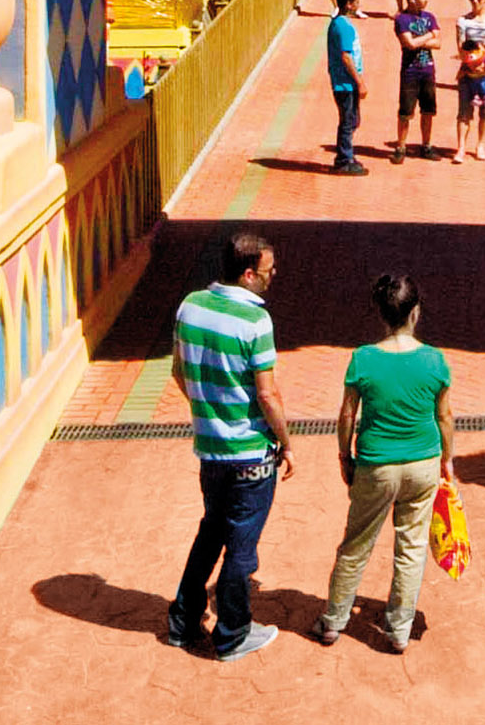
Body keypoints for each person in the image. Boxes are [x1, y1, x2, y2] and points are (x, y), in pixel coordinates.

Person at [165, 231, 292, 661]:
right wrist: (286, 442)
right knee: (241, 549)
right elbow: (268, 395)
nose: (274, 278)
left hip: (210, 453)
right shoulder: (256, 322)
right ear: (249, 273)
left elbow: (179, 372)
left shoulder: (190, 306)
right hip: (251, 455)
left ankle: (182, 622)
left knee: (211, 531)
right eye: (269, 272)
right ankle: (232, 633)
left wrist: (208, 412)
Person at [315, 274, 454, 653]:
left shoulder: (363, 359)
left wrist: (345, 456)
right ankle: (398, 630)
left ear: (381, 314)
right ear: (416, 313)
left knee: (356, 545)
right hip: (423, 463)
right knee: (411, 546)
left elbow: (347, 416)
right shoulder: (434, 359)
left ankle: (333, 621)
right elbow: (444, 417)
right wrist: (447, 460)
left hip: (375, 465)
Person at [318, 0, 372, 175]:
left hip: (344, 82)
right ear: (349, 4)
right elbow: (346, 56)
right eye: (356, 1)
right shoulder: (343, 27)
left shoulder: (338, 24)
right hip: (345, 83)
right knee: (348, 120)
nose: (358, 5)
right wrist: (360, 82)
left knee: (352, 119)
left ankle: (347, 154)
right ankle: (343, 160)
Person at [390, 0, 441, 164]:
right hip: (410, 73)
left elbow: (439, 43)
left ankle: (426, 145)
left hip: (428, 71)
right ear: (411, 0)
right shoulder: (401, 19)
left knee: (428, 110)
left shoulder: (430, 17)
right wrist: (429, 36)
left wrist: (420, 40)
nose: (426, 1)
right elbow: (408, 44)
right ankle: (400, 147)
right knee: (405, 112)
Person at [451, 0, 485, 163]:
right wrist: (470, 63)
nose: (475, 1)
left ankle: (481, 145)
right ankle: (461, 148)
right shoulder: (463, 21)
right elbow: (461, 45)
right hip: (468, 71)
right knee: (464, 111)